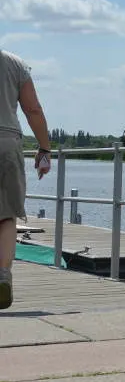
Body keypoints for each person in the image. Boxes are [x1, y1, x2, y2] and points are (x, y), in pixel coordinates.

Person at [0, 49, 52, 310]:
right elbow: (32, 109)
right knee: (6, 215)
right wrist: (44, 148)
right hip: (7, 143)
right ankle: (3, 275)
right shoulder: (14, 63)